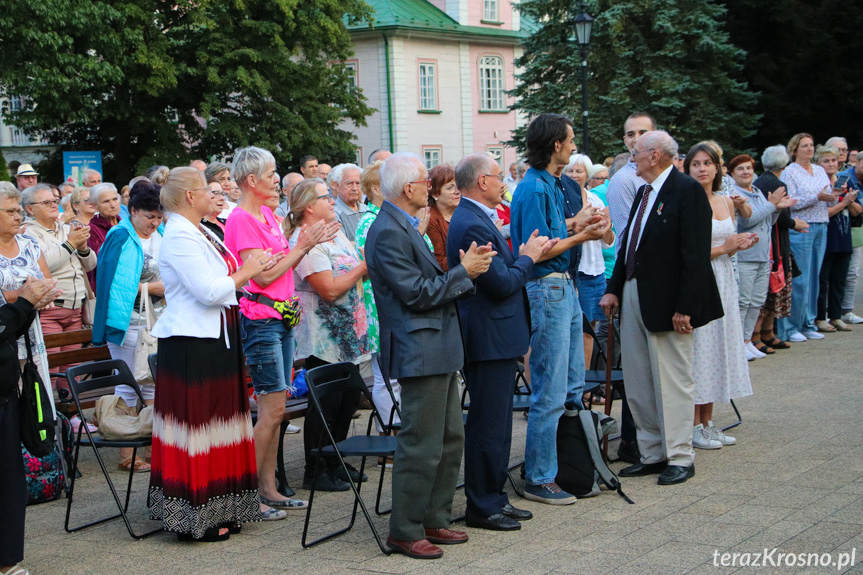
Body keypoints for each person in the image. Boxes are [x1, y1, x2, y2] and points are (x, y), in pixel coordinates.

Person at [365, 152, 494, 559]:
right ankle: (404, 529)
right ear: (409, 189)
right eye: (425, 181)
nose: (431, 187)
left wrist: (458, 271)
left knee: (449, 438)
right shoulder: (387, 230)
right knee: (421, 443)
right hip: (419, 347)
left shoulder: (403, 224)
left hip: (436, 345)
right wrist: (464, 272)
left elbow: (425, 283)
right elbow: (416, 294)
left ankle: (434, 518)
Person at [149, 167, 276, 541]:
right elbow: (207, 291)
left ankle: (225, 504)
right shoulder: (178, 235)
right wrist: (247, 272)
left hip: (217, 336)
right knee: (197, 429)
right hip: (192, 342)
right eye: (209, 189)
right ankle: (196, 516)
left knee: (222, 426)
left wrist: (248, 273)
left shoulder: (200, 229)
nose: (215, 194)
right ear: (190, 195)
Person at [600, 131, 723, 486]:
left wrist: (686, 307)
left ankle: (681, 456)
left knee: (672, 380)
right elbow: (629, 246)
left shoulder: (687, 192)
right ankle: (652, 453)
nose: (631, 157)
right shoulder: (643, 192)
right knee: (639, 380)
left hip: (671, 303)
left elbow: (695, 256)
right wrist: (613, 289)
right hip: (634, 293)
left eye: (636, 152)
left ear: (655, 155)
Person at [224, 147, 337, 511]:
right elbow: (266, 273)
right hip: (262, 322)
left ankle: (268, 489)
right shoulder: (242, 219)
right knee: (271, 410)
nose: (277, 179)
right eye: (272, 174)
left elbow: (279, 265)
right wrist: (303, 246)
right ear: (252, 180)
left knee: (277, 409)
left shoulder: (269, 216)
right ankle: (248, 495)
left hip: (282, 319)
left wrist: (300, 247)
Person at [447, 153, 554, 531]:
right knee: (487, 426)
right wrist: (528, 258)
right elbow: (502, 283)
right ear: (481, 182)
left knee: (497, 425)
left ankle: (494, 496)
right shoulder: (470, 222)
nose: (502, 182)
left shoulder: (478, 217)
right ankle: (482, 505)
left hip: (498, 336)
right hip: (488, 337)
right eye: (497, 175)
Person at [510, 113, 610, 504]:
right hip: (547, 288)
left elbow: (551, 233)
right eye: (569, 140)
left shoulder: (548, 183)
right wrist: (583, 233)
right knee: (550, 389)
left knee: (570, 385)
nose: (573, 145)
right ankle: (538, 476)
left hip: (563, 287)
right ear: (555, 145)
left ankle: (567, 468)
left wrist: (575, 222)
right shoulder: (534, 188)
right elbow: (540, 249)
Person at [285, 179, 372, 491]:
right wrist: (363, 266)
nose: (333, 200)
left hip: (349, 334)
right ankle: (316, 467)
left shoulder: (334, 233)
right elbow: (330, 290)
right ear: (309, 206)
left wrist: (360, 264)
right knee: (327, 403)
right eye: (326, 197)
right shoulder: (306, 240)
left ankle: (335, 457)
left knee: (348, 401)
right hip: (324, 337)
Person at [684, 144, 755, 449]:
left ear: (717, 168)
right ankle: (691, 425)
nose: (702, 169)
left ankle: (709, 422)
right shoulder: (686, 202)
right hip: (699, 279)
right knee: (699, 351)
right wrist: (726, 248)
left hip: (724, 279)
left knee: (719, 349)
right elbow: (687, 252)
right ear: (687, 169)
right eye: (696, 164)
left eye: (708, 163)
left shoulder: (726, 201)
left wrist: (739, 244)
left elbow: (727, 243)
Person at [355, 162, 432, 439]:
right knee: (386, 375)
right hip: (380, 307)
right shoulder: (371, 222)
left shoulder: (398, 219)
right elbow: (382, 265)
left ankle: (401, 432)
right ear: (377, 188)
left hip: (400, 305)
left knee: (397, 375)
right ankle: (387, 432)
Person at [92, 182, 165, 471]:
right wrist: (154, 288)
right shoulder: (119, 235)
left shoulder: (160, 234)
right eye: (149, 217)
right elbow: (110, 284)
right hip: (127, 322)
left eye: (159, 217)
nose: (155, 223)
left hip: (156, 319)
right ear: (132, 211)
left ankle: (149, 447)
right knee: (128, 386)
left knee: (152, 386)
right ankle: (126, 453)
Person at [0, 277, 59, 575]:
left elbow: (8, 328)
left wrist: (30, 307)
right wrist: (22, 303)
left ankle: (8, 561)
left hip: (6, 392)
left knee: (11, 481)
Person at [21, 184, 95, 396]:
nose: (54, 205)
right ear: (30, 209)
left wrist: (82, 248)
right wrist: (71, 244)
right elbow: (43, 264)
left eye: (54, 201)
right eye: (46, 202)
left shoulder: (66, 228)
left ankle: (72, 416)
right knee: (50, 367)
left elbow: (90, 265)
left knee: (72, 367)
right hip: (50, 310)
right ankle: (49, 420)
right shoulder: (28, 234)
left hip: (76, 307)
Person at [728, 154, 794, 359]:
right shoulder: (733, 194)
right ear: (732, 174)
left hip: (764, 256)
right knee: (743, 302)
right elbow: (747, 221)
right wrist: (772, 205)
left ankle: (747, 341)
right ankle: (738, 344)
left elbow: (767, 221)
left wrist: (776, 209)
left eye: (748, 168)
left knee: (757, 302)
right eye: (740, 169)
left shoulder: (756, 191)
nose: (746, 172)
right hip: (745, 257)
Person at [0, 183, 55, 393]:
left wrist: (45, 295)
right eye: (10, 211)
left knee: (36, 401)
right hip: (5, 338)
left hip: (32, 334)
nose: (17, 217)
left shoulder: (29, 244)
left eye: (19, 211)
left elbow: (47, 283)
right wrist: (24, 296)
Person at [753, 146, 808, 350]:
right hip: (774, 242)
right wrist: (797, 224)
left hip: (769, 240)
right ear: (784, 164)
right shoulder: (779, 184)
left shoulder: (758, 181)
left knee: (771, 288)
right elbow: (782, 217)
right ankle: (759, 335)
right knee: (771, 289)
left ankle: (767, 333)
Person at [782, 133, 833, 342]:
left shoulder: (820, 170)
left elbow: (826, 197)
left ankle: (808, 322)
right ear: (795, 149)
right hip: (801, 227)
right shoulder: (789, 172)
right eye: (804, 146)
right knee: (800, 279)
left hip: (821, 224)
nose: (809, 149)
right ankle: (791, 326)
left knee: (814, 276)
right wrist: (816, 197)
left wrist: (833, 195)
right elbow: (791, 201)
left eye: (811, 145)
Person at [815, 145, 861, 332]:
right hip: (826, 236)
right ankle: (820, 317)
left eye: (833, 160)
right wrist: (844, 203)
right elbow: (824, 214)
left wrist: (849, 201)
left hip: (844, 236)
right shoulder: (819, 184)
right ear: (818, 164)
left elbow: (858, 211)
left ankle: (836, 316)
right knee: (823, 279)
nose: (831, 164)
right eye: (826, 161)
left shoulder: (845, 181)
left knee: (839, 278)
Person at [606, 112, 657, 252]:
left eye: (643, 132)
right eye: (630, 135)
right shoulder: (623, 180)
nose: (636, 139)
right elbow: (628, 237)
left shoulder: (665, 174)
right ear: (625, 140)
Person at [839, 152, 863, 324]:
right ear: (858, 162)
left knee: (854, 272)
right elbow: (839, 200)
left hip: (857, 228)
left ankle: (847, 310)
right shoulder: (843, 177)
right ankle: (831, 310)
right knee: (839, 272)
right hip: (842, 228)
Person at [426, 164, 459, 271]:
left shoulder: (461, 213)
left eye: (458, 185)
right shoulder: (430, 220)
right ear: (435, 194)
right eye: (450, 188)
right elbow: (438, 263)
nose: (457, 191)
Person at [329, 163, 367, 241]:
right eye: (349, 183)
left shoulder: (366, 209)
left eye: (358, 183)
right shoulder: (333, 213)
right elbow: (342, 245)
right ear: (336, 186)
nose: (354, 188)